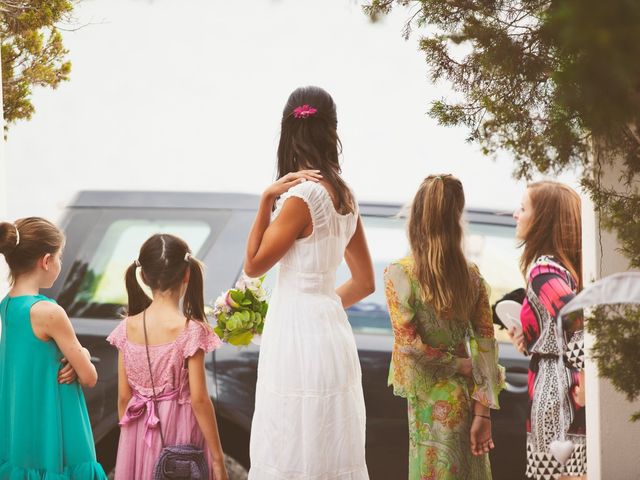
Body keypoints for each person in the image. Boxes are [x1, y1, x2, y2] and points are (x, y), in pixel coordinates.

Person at [244, 86, 375, 479]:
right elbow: (365, 281)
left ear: (287, 132)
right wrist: (321, 303)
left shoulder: (300, 197)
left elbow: (252, 266)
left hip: (296, 337)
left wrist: (265, 199)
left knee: (290, 440)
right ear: (331, 130)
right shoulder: (345, 195)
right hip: (332, 332)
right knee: (328, 442)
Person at [384, 175, 505, 480]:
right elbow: (486, 345)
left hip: (429, 399)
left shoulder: (400, 274)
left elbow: (409, 346)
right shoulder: (471, 276)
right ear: (457, 220)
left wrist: (455, 365)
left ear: (416, 218)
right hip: (466, 399)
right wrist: (483, 411)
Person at [107, 233, 227, 479]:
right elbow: (200, 399)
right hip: (180, 432)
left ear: (142, 276)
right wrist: (217, 458)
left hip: (138, 431)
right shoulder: (191, 330)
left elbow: (123, 396)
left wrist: (133, 440)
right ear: (187, 273)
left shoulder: (127, 328)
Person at [0, 217, 107, 479]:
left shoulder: (7, 305)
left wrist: (67, 356)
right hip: (58, 434)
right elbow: (90, 376)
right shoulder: (48, 312)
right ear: (46, 261)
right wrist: (80, 355)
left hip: (22, 432)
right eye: (59, 257)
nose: (60, 263)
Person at [508, 181, 586, 480]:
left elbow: (576, 320)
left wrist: (589, 375)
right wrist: (532, 341)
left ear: (544, 220)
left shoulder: (543, 270)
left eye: (524, 208)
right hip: (568, 390)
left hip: (556, 399)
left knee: (557, 476)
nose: (516, 214)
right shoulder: (568, 267)